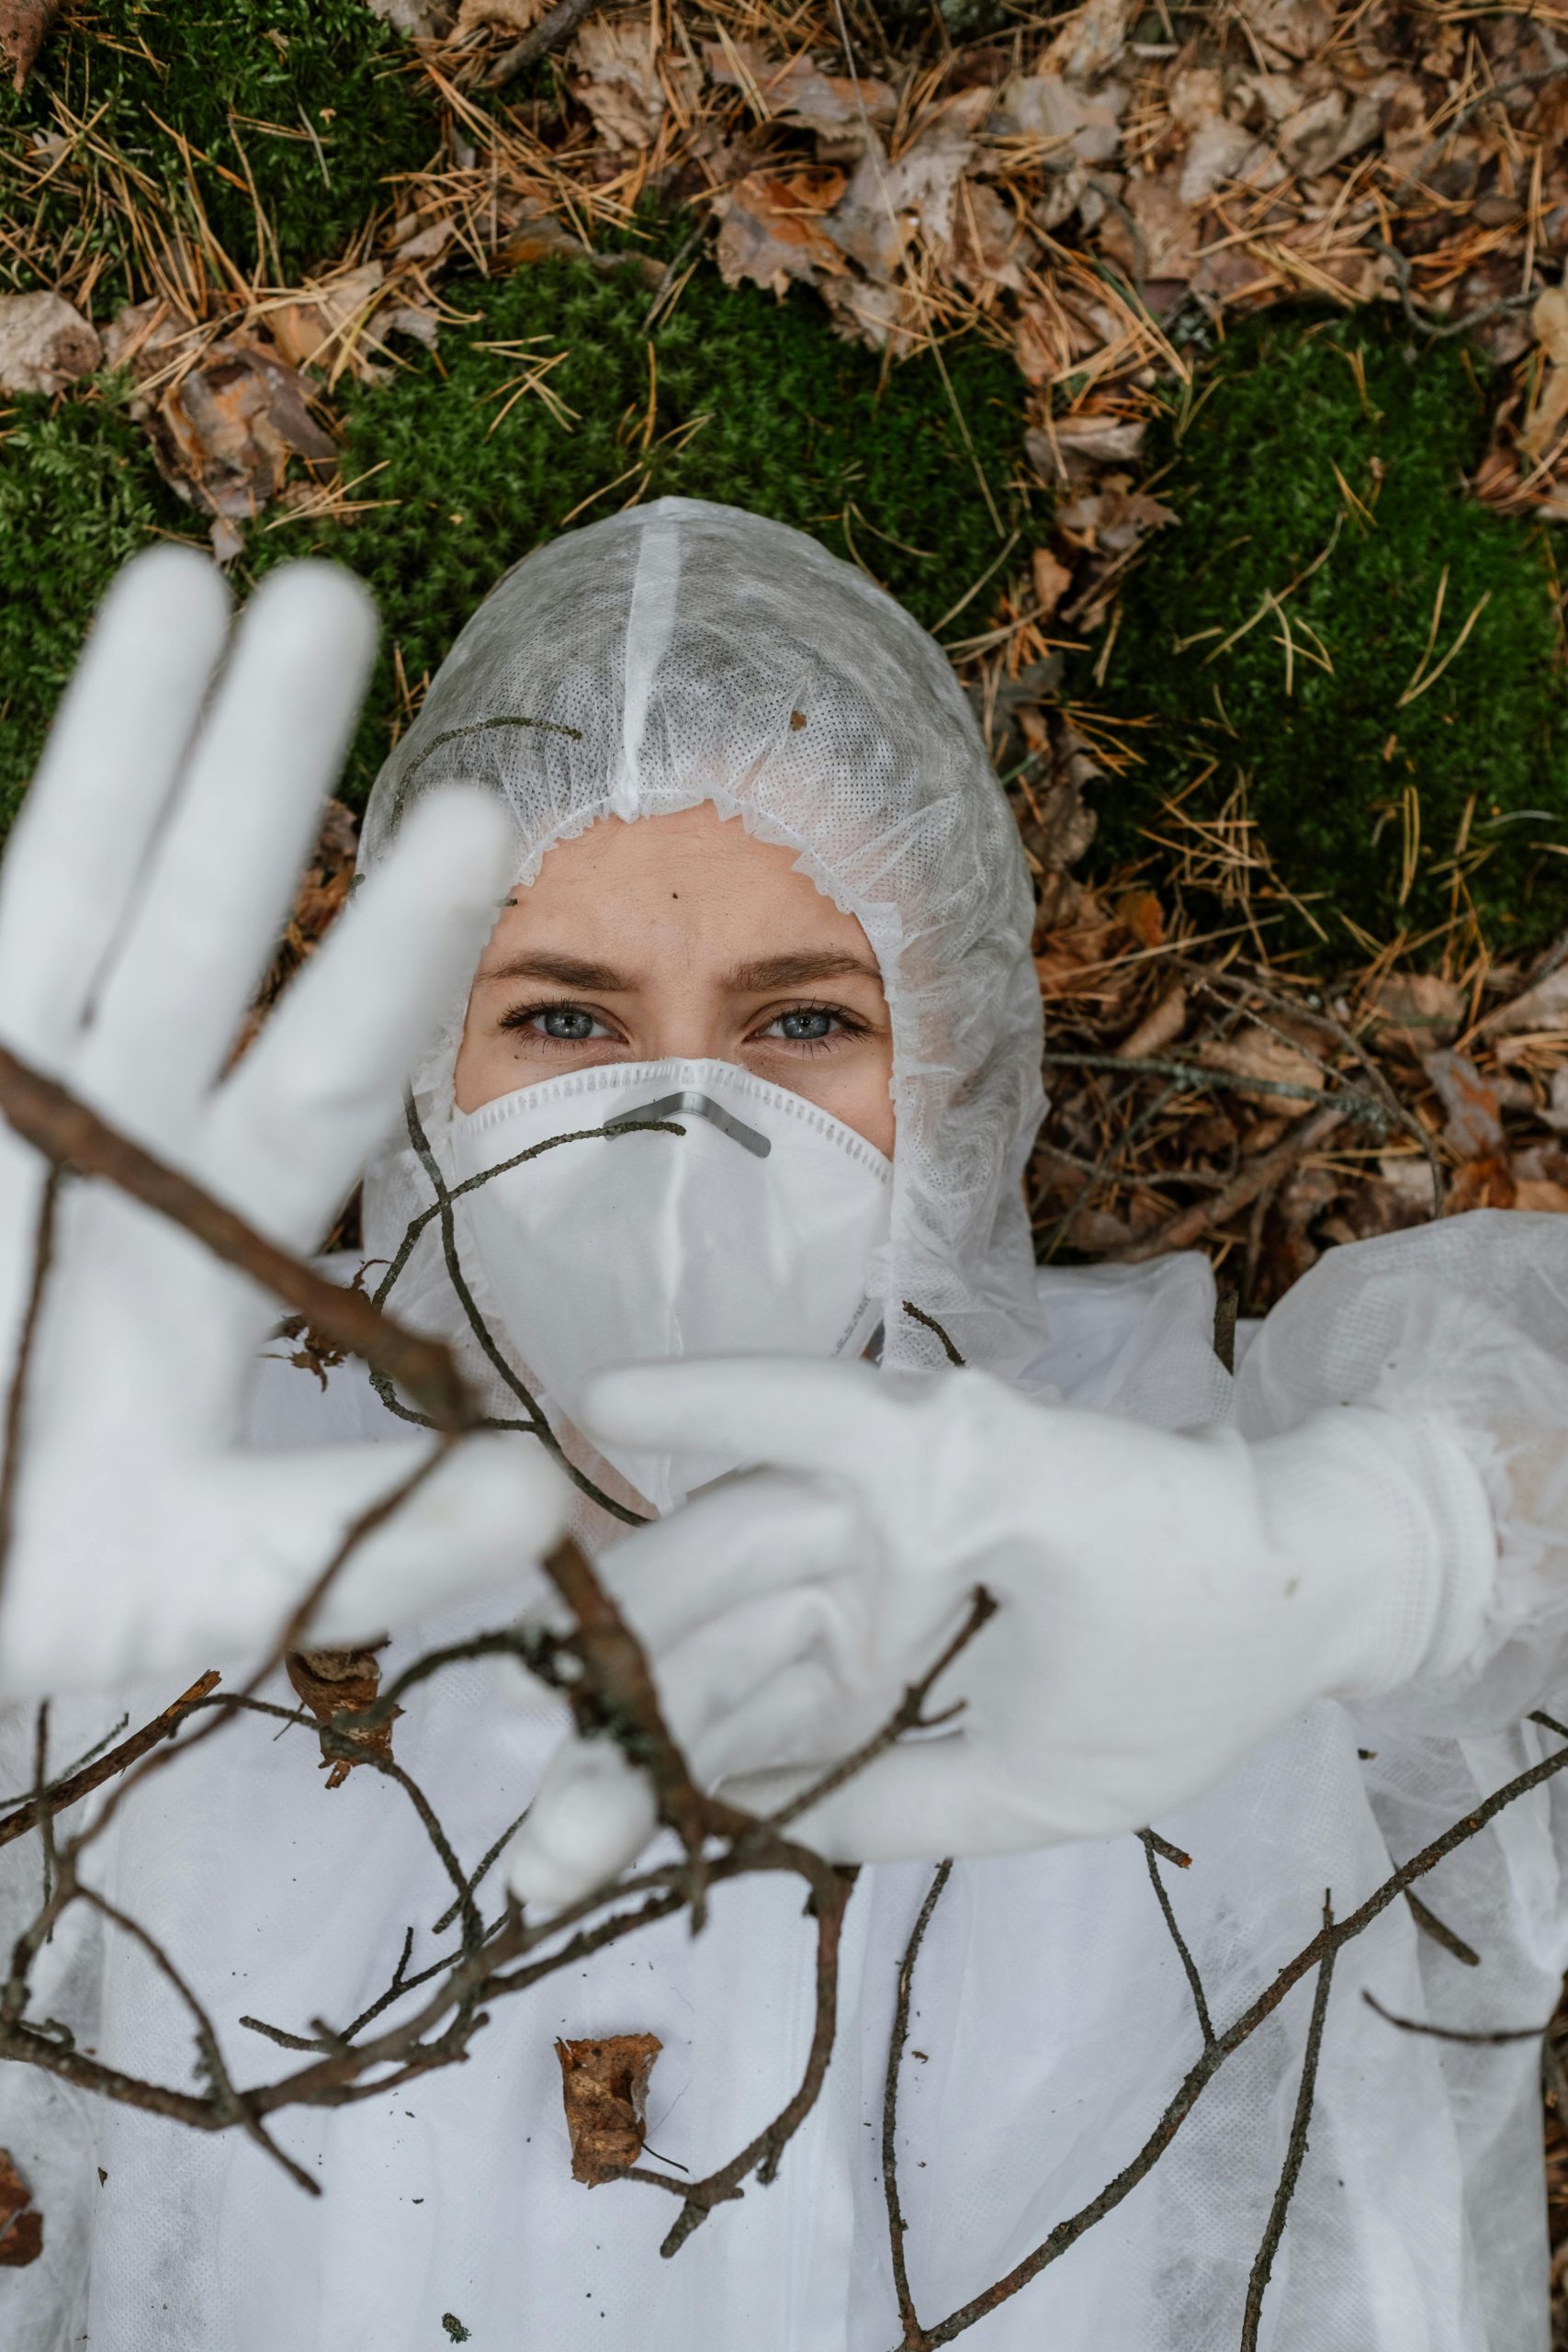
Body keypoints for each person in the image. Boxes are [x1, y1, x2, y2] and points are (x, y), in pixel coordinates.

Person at [0, 498, 1565, 2350]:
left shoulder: (1144, 1487)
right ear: (422, 1072)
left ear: (954, 1066)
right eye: (563, 1020)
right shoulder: (176, 1477)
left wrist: (1394, 1536)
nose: (680, 1124)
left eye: (804, 1019)